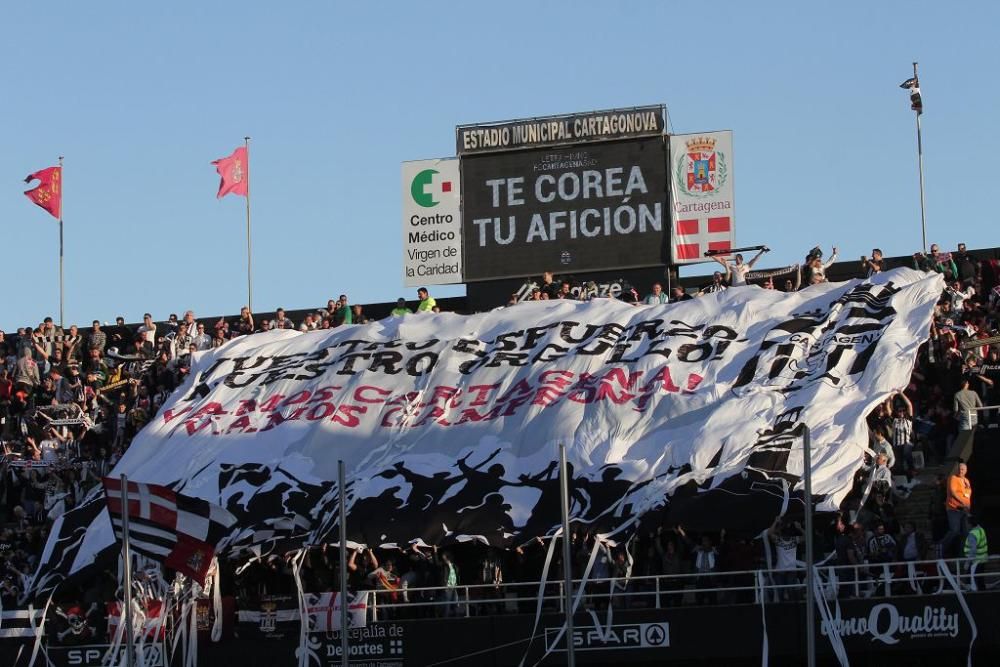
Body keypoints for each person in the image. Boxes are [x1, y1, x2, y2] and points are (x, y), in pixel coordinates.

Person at [941, 462, 972, 557]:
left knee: (966, 533)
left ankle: (962, 554)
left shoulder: (966, 481)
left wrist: (967, 507)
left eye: (962, 469)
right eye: (959, 469)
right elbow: (953, 492)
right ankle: (940, 546)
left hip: (965, 511)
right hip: (954, 508)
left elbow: (968, 494)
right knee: (954, 530)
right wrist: (962, 503)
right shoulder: (953, 478)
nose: (960, 471)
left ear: (966, 471)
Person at [890, 392, 915, 471]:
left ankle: (912, 469)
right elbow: (889, 408)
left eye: (903, 411)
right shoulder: (894, 420)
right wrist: (891, 397)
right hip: (896, 445)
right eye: (899, 411)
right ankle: (905, 473)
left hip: (906, 443)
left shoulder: (908, 420)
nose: (901, 412)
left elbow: (909, 405)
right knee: (899, 465)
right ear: (897, 412)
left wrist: (901, 393)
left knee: (906, 452)